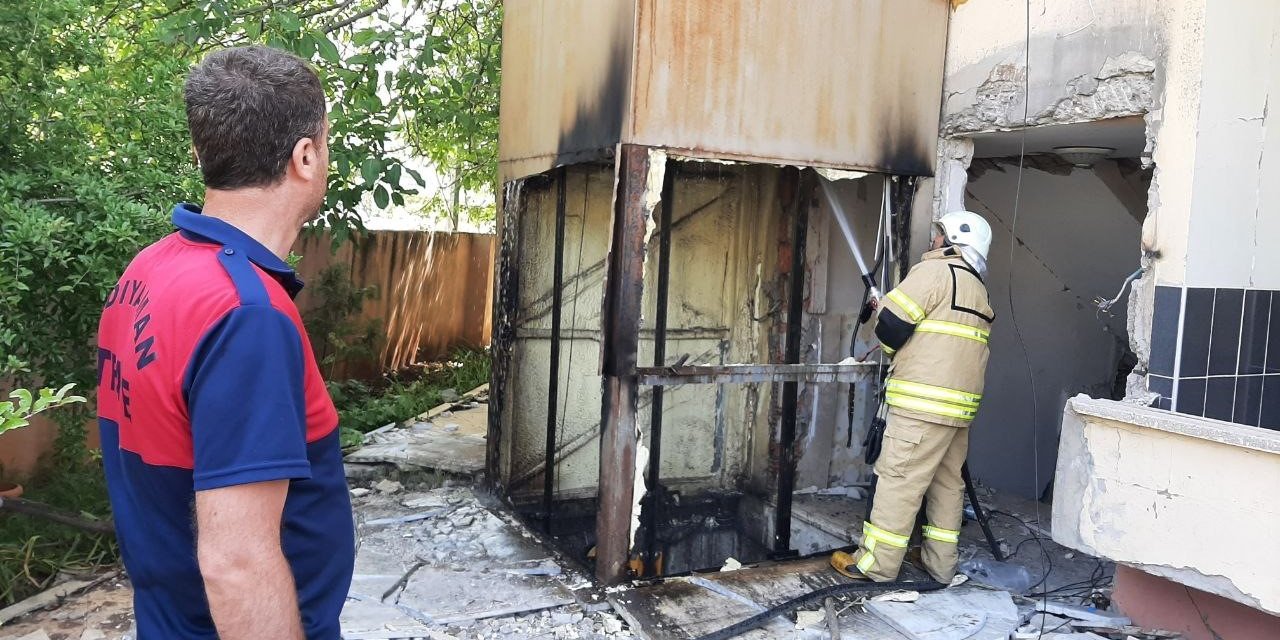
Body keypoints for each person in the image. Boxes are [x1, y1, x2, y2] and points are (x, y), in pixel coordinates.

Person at [96, 46, 353, 639]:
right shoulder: (246, 314)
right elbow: (236, 564)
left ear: (201, 151)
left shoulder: (150, 270)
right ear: (306, 156)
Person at [830, 210, 995, 585]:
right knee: (946, 485)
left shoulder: (934, 272)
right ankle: (940, 565)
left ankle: (876, 564)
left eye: (939, 236)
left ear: (954, 242)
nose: (932, 241)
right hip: (958, 411)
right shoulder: (976, 287)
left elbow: (891, 329)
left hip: (920, 408)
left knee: (898, 480)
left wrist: (883, 313)